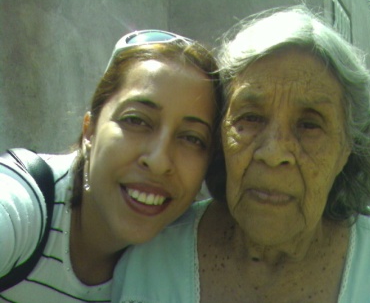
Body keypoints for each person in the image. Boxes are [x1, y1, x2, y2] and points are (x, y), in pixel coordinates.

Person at [112, 6, 370, 303]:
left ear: (347, 148)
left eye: (309, 125)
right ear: (219, 136)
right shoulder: (154, 254)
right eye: (250, 118)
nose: (273, 154)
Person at [0, 29, 223, 301]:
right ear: (90, 130)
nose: (158, 161)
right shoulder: (24, 205)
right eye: (137, 120)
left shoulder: (184, 259)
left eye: (192, 138)